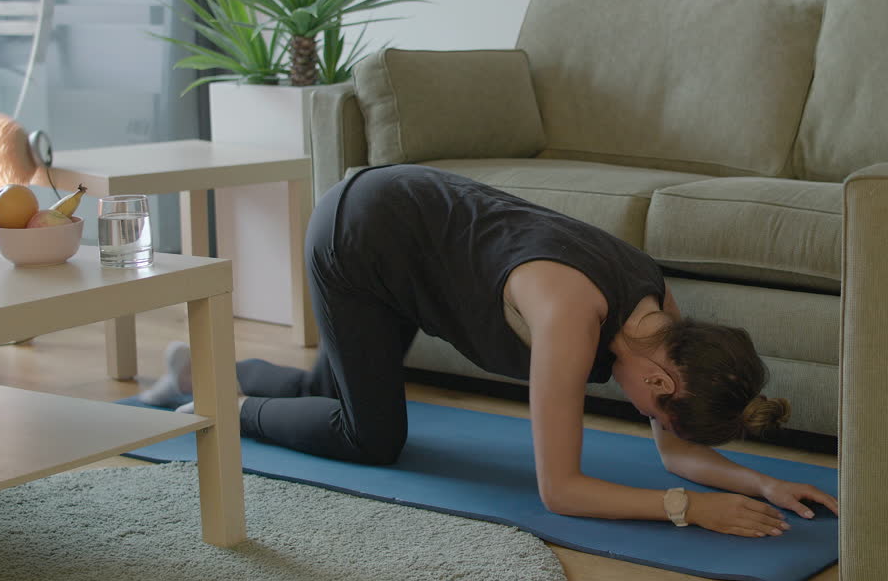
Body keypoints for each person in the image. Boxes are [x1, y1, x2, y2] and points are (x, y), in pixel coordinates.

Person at [142, 164, 838, 537]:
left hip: (407, 226)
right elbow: (560, 492)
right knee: (368, 436)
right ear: (662, 381)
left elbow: (676, 453)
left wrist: (762, 484)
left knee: (333, 393)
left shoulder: (662, 325)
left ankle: (190, 369)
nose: (648, 417)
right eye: (659, 412)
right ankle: (221, 405)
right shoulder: (571, 317)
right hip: (358, 236)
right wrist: (688, 510)